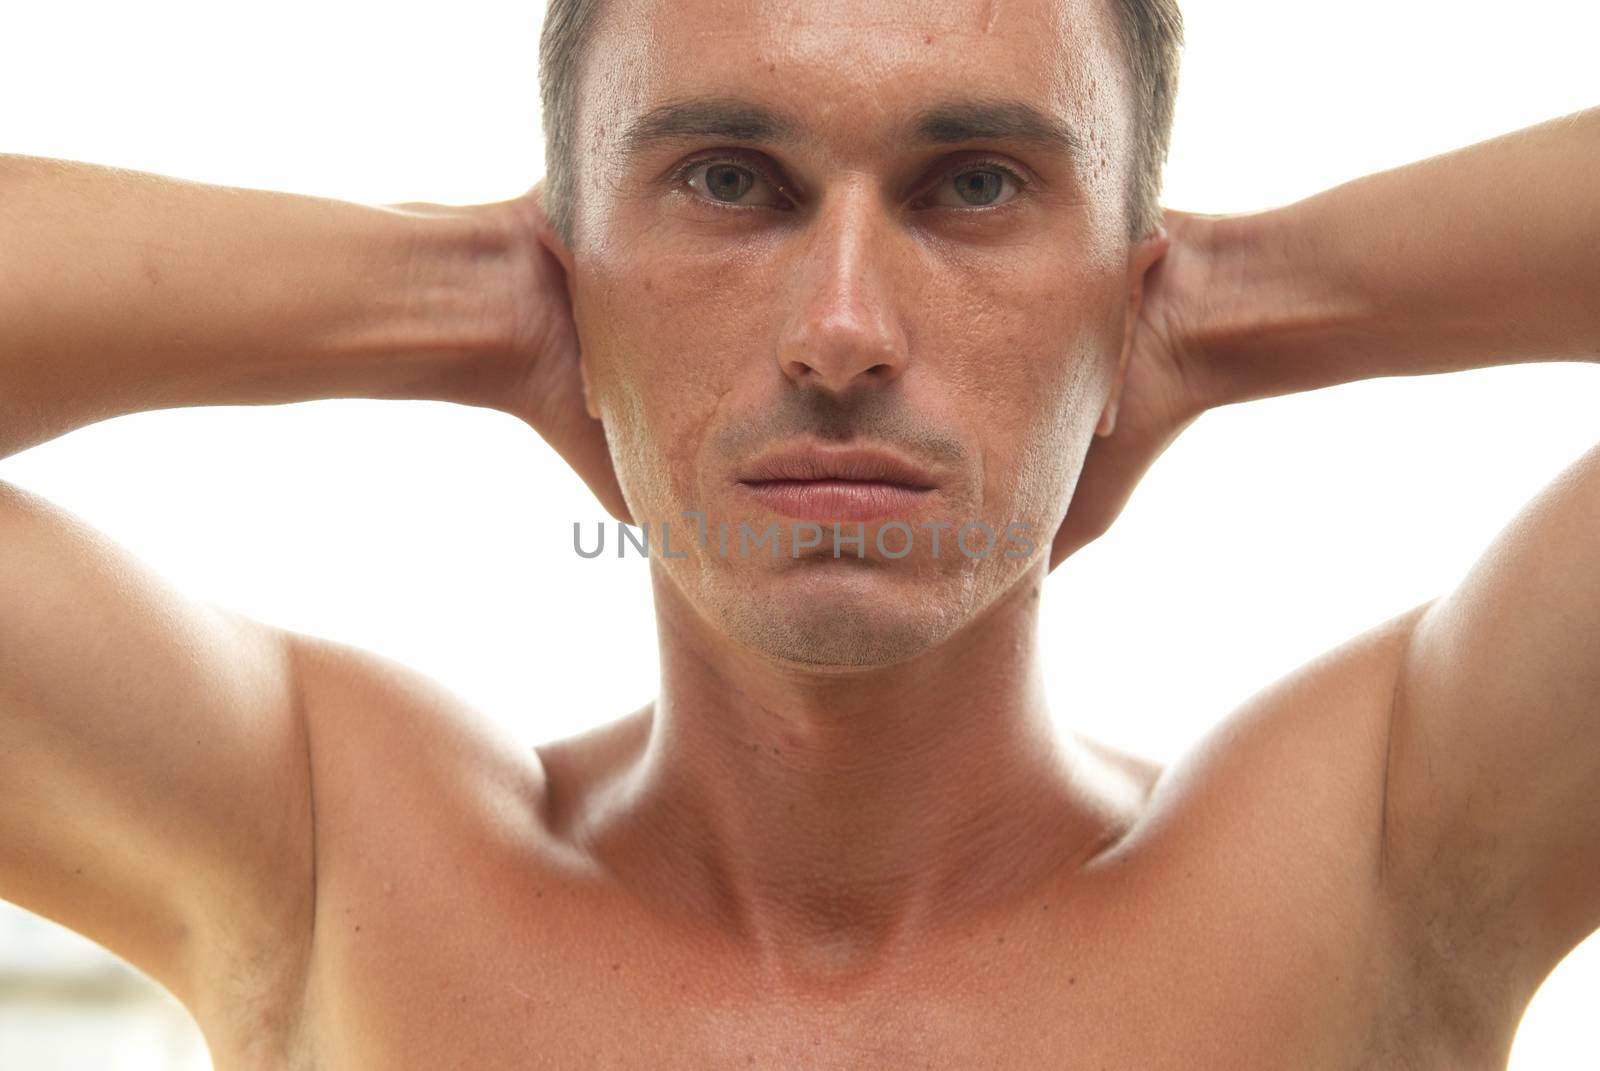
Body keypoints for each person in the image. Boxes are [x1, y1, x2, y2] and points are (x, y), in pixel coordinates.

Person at [1, 0, 1595, 1064]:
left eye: (974, 185)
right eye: (725, 180)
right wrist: (471, 296)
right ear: (572, 267)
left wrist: (1235, 305)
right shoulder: (328, 846)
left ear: (1128, 285)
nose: (842, 334)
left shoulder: (1384, 854)